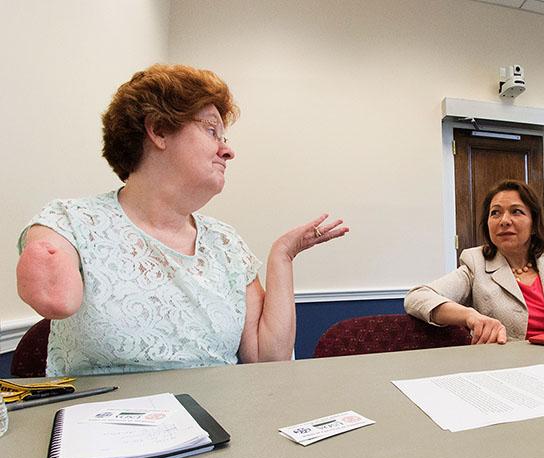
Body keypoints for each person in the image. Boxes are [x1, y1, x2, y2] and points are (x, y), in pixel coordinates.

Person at [16, 64, 348, 376]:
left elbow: (266, 361)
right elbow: (54, 297)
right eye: (211, 131)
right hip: (98, 429)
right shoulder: (72, 222)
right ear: (159, 130)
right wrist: (46, 266)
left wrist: (283, 254)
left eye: (225, 139)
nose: (227, 151)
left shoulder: (226, 243)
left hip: (215, 428)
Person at [404, 180, 544, 344]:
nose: (504, 220)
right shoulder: (475, 262)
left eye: (516, 211)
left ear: (534, 223)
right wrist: (470, 316)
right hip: (506, 368)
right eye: (495, 213)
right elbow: (418, 297)